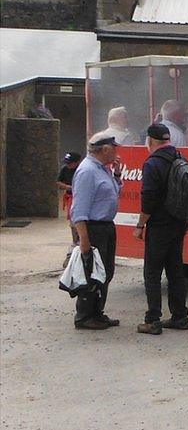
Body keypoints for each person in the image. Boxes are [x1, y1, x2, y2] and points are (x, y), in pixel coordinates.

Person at [134, 124, 188, 335]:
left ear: (150, 140)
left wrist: (140, 225)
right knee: (176, 270)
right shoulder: (180, 157)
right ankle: (180, 316)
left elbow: (149, 198)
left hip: (159, 225)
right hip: (178, 222)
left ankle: (153, 320)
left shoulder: (153, 163)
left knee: (152, 272)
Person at [69, 134, 123, 330]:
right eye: (114, 148)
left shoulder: (103, 169)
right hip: (93, 228)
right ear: (106, 150)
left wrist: (117, 175)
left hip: (105, 227)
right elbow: (79, 210)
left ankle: (97, 312)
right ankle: (84, 316)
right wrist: (83, 240)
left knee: (105, 272)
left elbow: (114, 193)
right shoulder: (87, 171)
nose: (117, 153)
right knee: (91, 272)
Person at [57, 152, 82, 267]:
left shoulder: (82, 170)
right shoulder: (65, 169)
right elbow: (58, 182)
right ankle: (74, 247)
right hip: (70, 197)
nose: (68, 165)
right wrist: (68, 187)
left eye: (70, 163)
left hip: (80, 198)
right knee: (73, 223)